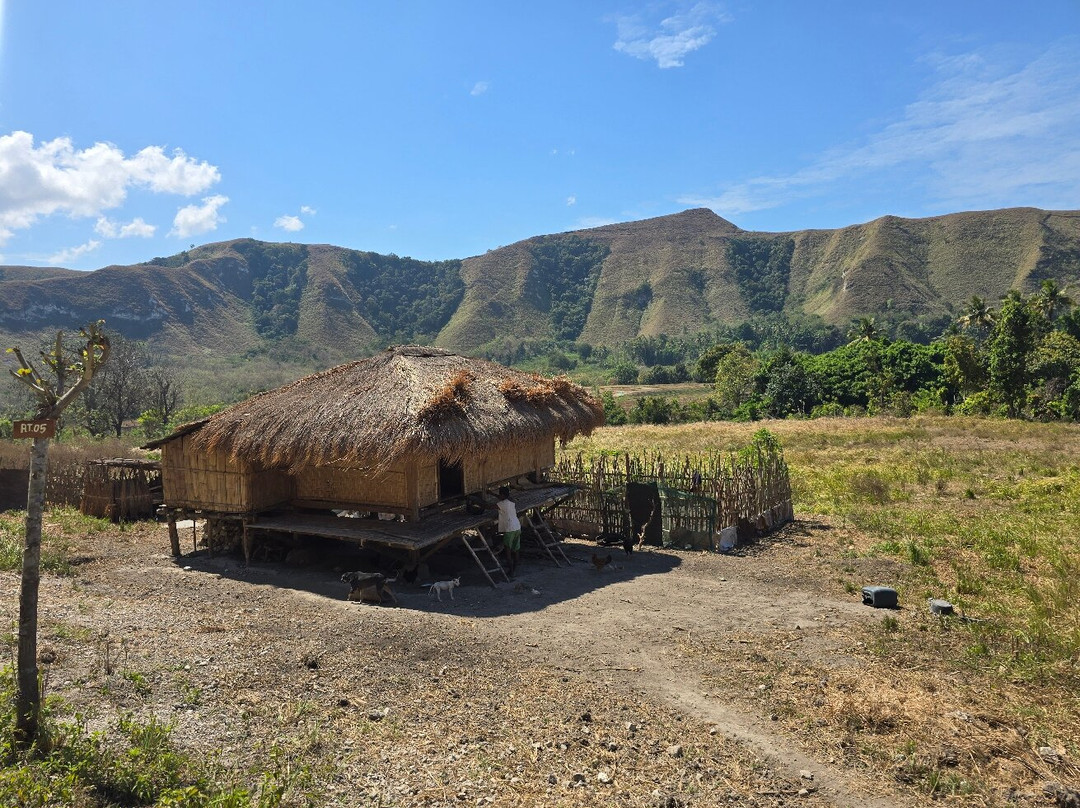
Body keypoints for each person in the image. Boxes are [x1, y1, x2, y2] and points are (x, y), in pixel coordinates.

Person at [495, 485, 521, 577]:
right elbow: (501, 498)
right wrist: (491, 493)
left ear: (502, 495)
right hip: (517, 527)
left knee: (508, 551)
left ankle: (511, 571)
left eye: (499, 495)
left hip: (510, 529)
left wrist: (478, 502)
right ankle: (514, 569)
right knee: (516, 549)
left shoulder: (502, 504)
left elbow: (487, 506)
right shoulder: (512, 501)